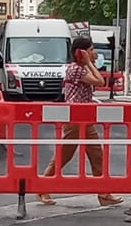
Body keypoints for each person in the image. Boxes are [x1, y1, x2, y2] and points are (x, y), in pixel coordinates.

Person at [42, 32, 122, 206]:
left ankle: (104, 193)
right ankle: (42, 187)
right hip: (75, 120)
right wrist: (88, 63)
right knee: (64, 155)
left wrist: (89, 63)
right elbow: (100, 82)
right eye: (91, 50)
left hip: (85, 118)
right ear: (81, 53)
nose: (96, 54)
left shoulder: (82, 68)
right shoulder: (76, 69)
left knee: (97, 155)